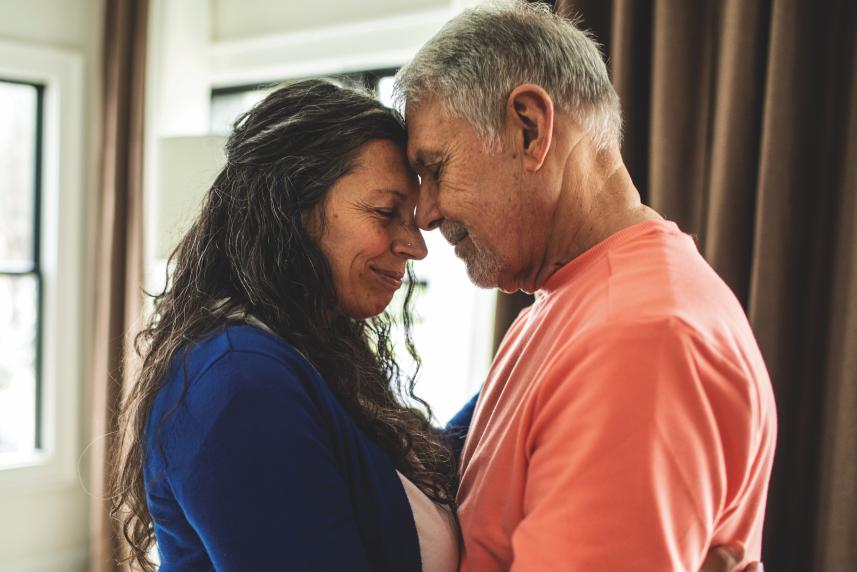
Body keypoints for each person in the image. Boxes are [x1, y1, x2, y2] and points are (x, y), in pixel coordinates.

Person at [111, 79, 757, 571]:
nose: (416, 245)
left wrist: (566, 346)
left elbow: (418, 481)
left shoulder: (298, 349)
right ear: (294, 210)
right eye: (387, 212)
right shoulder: (235, 384)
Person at [394, 1, 777, 571]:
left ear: (529, 128)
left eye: (436, 168)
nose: (423, 214)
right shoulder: (564, 305)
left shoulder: (641, 338)